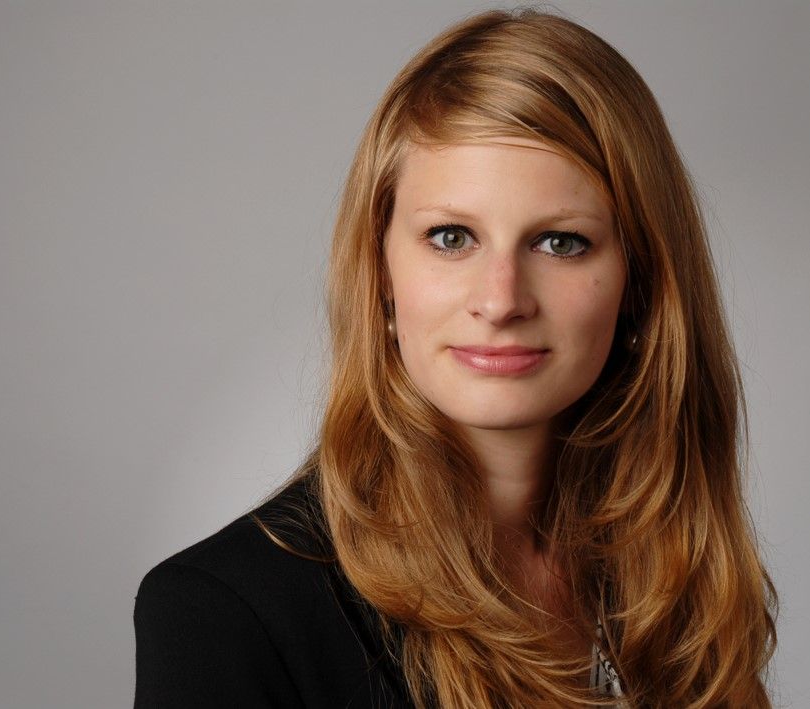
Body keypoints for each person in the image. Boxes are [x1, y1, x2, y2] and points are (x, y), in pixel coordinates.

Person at [133, 9, 777, 707]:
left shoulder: (676, 577)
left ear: (641, 280)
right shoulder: (223, 615)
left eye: (560, 243)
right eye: (450, 237)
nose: (500, 300)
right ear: (379, 273)